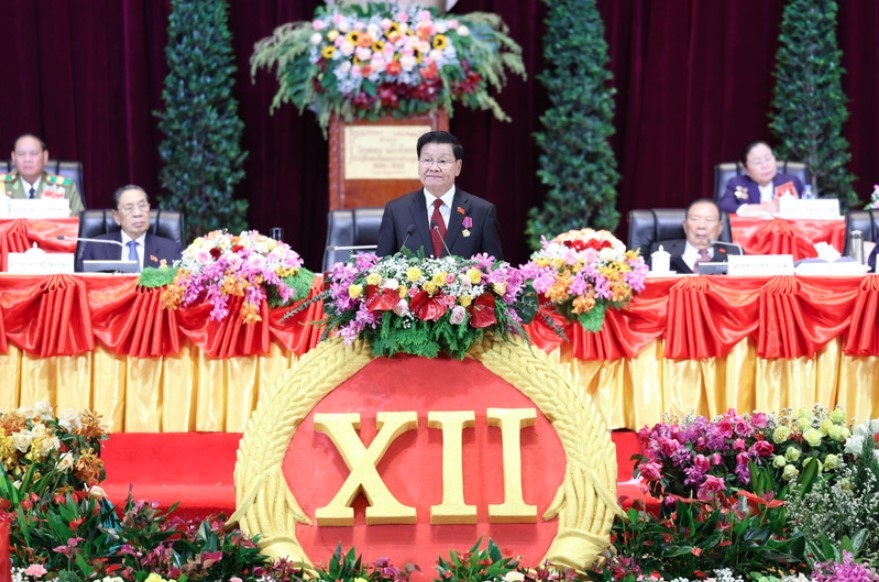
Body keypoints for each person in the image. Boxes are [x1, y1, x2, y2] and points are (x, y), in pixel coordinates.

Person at [375, 130, 503, 260]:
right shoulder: (396, 211)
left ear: (458, 167)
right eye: (427, 160)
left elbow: (494, 268)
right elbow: (382, 265)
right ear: (419, 164)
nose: (434, 168)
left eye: (442, 161)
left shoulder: (482, 212)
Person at [76, 185, 182, 272]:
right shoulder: (95, 248)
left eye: (142, 206)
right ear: (116, 216)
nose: (137, 213)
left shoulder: (171, 250)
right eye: (128, 208)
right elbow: (81, 285)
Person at [1, 133, 86, 216]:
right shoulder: (2, 185)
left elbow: (80, 221)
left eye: (33, 153)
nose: (27, 159)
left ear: (45, 156)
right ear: (13, 157)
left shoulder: (65, 186)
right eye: (21, 154)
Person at [650, 198, 742, 274]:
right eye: (695, 219)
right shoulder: (662, 250)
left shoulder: (734, 253)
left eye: (709, 220)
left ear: (720, 227)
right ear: (685, 225)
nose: (701, 226)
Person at [718, 140, 805, 214]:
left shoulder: (791, 181)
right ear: (746, 169)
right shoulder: (738, 184)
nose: (765, 166)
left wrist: (796, 205)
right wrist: (762, 208)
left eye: (768, 159)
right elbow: (724, 206)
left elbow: (808, 205)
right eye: (757, 162)